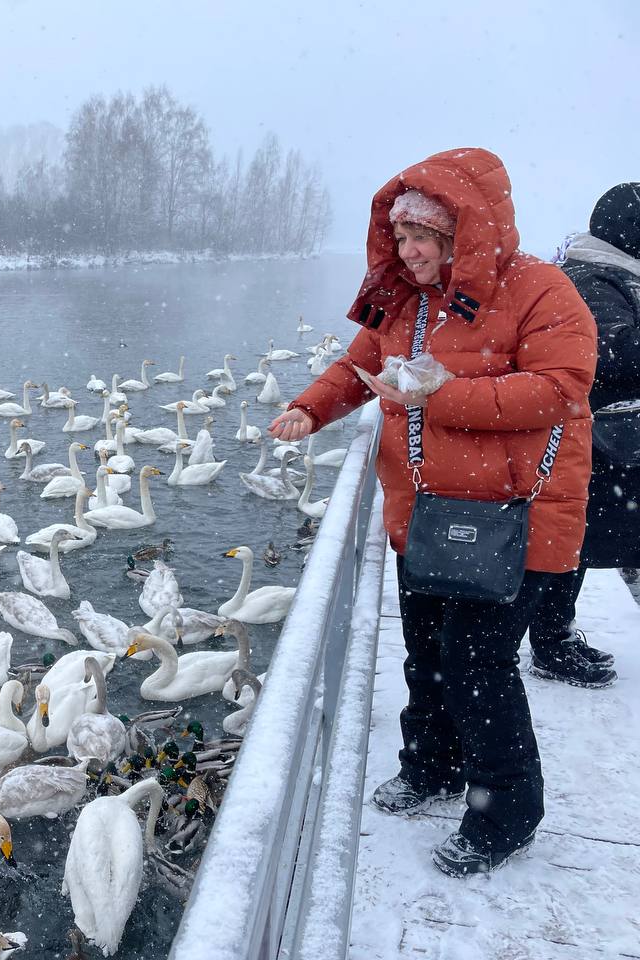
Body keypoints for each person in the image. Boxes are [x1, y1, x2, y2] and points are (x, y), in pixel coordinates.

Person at [270, 148, 597, 878]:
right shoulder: (401, 298)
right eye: (401, 235)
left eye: (423, 237)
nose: (408, 250)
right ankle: (431, 767)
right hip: (425, 514)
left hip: (517, 518)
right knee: (427, 654)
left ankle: (504, 813)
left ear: (464, 232)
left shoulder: (541, 291)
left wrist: (437, 397)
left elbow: (562, 387)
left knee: (477, 663)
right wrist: (308, 408)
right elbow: (358, 366)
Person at [527, 184, 640, 687]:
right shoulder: (595, 279)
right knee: (569, 543)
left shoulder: (614, 274)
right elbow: (612, 357)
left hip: (608, 440)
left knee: (578, 540)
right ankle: (553, 644)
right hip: (597, 441)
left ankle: (555, 639)